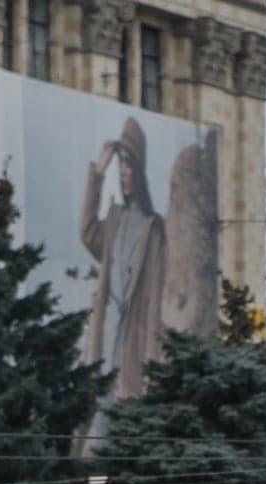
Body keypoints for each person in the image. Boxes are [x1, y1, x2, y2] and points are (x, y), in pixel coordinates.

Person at [79, 117, 168, 400]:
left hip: (133, 337)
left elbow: (155, 299)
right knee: (98, 409)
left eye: (129, 164)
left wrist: (153, 359)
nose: (124, 173)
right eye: (121, 165)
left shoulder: (154, 229)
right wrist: (98, 175)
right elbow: (88, 233)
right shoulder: (114, 219)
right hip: (105, 332)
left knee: (124, 404)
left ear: (139, 170)